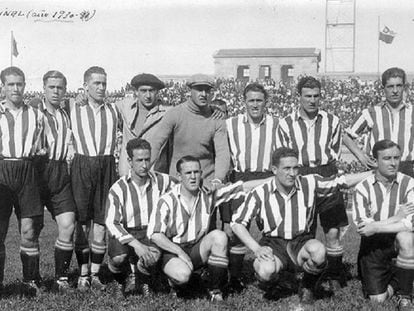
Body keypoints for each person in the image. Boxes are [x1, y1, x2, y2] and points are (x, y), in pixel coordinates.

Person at [231, 147, 371, 304]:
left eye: (295, 168)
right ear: (274, 169)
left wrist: (374, 172)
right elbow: (237, 223)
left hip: (301, 242)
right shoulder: (260, 191)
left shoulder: (309, 182)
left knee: (319, 252)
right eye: (287, 168)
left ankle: (307, 286)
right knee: (266, 271)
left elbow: (341, 182)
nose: (292, 173)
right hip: (273, 243)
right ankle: (276, 283)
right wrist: (256, 248)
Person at [147, 156, 268, 303]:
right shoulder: (167, 200)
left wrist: (273, 180)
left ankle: (215, 290)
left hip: (196, 248)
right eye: (188, 173)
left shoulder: (208, 195)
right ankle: (171, 281)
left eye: (196, 172)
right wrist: (179, 253)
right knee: (183, 275)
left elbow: (242, 187)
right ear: (179, 176)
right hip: (173, 250)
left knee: (219, 236)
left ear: (201, 173)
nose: (193, 177)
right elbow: (155, 235)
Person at [276, 76, 347, 290]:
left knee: (332, 230)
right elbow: (285, 154)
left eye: (316, 96)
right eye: (308, 96)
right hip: (301, 175)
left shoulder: (332, 120)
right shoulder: (286, 123)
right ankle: (302, 277)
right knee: (303, 231)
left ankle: (334, 275)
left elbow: (334, 149)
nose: (312, 100)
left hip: (326, 172)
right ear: (299, 97)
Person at [224, 83, 277, 292]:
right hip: (241, 178)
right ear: (244, 102)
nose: (255, 104)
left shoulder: (277, 123)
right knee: (238, 229)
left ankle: (271, 273)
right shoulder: (231, 124)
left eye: (259, 100)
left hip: (267, 177)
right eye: (251, 100)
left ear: (266, 102)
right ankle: (235, 278)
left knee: (270, 227)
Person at [105, 138, 175, 297]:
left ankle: (144, 280)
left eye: (147, 159)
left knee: (153, 255)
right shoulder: (118, 188)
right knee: (118, 258)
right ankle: (120, 279)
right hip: (127, 234)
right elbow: (112, 222)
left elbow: (183, 187)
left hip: (150, 233)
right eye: (139, 160)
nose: (144, 165)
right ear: (130, 161)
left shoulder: (162, 181)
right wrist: (136, 245)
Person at [70, 66, 119, 291]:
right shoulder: (72, 106)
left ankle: (96, 274)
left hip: (106, 166)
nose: (101, 88)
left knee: (101, 223)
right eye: (96, 83)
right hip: (82, 165)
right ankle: (82, 275)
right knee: (81, 224)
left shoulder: (114, 109)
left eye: (104, 84)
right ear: (86, 85)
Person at [353, 139, 414, 311]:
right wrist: (396, 218)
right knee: (377, 301)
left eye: (396, 157)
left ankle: (405, 296)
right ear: (375, 161)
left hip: (397, 241)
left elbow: (410, 224)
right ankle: (400, 276)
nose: (393, 163)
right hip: (374, 246)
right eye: (387, 158)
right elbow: (364, 229)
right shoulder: (362, 188)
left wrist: (377, 227)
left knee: (407, 238)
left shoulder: (409, 183)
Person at [0, 66, 44, 295]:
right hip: (2, 169)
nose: (16, 88)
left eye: (20, 84)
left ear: (25, 86)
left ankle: (30, 281)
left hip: (27, 170)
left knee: (29, 230)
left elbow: (41, 146)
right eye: (11, 84)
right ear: (3, 87)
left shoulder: (36, 115)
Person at [31, 71, 76, 293]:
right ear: (44, 89)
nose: (56, 91)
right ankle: (32, 278)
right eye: (52, 87)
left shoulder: (64, 114)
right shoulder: (34, 111)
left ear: (65, 90)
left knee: (68, 224)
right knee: (32, 229)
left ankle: (61, 278)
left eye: (60, 87)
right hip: (38, 172)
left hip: (60, 172)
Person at [147, 74, 230, 189]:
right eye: (199, 90)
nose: (203, 94)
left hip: (206, 181)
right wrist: (145, 169)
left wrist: (218, 179)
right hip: (177, 181)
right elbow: (156, 143)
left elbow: (222, 152)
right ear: (190, 91)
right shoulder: (175, 114)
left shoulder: (216, 118)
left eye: (207, 90)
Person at [344, 67, 414, 177]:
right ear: (383, 89)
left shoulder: (412, 112)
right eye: (390, 86)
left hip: (406, 169)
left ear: (404, 87)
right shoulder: (371, 112)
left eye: (399, 86)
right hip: (378, 169)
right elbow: (347, 137)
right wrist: (362, 157)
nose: (395, 91)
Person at [115, 73, 171, 176]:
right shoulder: (125, 107)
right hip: (127, 173)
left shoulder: (166, 114)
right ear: (136, 92)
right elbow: (102, 107)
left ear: (157, 92)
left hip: (153, 174)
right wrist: (82, 98)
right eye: (143, 91)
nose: (148, 96)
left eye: (151, 91)